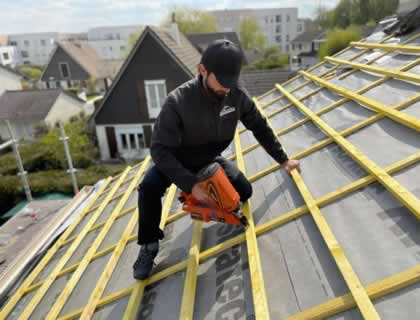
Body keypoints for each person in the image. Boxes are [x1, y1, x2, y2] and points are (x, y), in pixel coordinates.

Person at [133, 39, 300, 280]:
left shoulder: (235, 97)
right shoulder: (177, 102)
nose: (227, 89)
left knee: (244, 192)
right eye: (222, 82)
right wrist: (191, 185)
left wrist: (284, 160)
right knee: (148, 188)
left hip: (208, 158)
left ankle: (200, 190)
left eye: (231, 83)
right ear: (202, 70)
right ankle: (148, 247)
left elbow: (259, 126)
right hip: (174, 160)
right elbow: (159, 151)